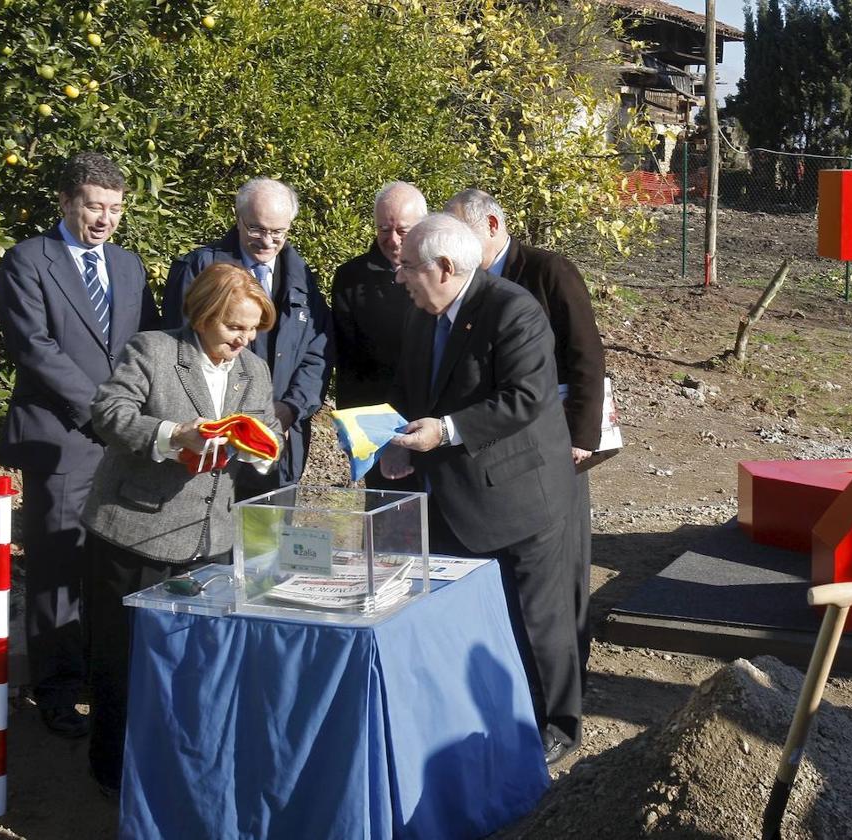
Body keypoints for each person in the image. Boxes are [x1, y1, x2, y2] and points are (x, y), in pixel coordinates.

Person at [381, 214, 581, 765]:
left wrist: (444, 431)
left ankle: (557, 727)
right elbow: (410, 388)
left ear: (445, 268)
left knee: (537, 620)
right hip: (449, 494)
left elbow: (525, 398)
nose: (399, 277)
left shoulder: (514, 310)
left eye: (407, 268)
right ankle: (478, 718)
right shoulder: (424, 311)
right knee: (463, 616)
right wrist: (393, 440)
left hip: (519, 496)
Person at [81, 263, 280, 794]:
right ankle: (114, 775)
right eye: (235, 327)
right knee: (123, 662)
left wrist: (260, 445)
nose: (245, 339)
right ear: (204, 314)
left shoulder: (253, 371)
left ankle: (183, 769)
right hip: (133, 533)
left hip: (209, 539)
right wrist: (174, 435)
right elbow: (109, 412)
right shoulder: (153, 350)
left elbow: (269, 427)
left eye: (254, 329)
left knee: (195, 665)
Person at [0, 151, 161, 738]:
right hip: (63, 440)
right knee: (57, 566)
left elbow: (145, 347)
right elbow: (35, 349)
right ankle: (58, 690)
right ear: (66, 202)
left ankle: (100, 675)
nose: (105, 219)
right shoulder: (26, 261)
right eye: (94, 205)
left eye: (115, 209)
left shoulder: (129, 265)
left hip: (121, 442)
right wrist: (105, 412)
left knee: (109, 563)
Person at [445, 188, 605, 687]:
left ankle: (571, 669)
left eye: (461, 232)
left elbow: (585, 354)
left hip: (555, 440)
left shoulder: (547, 271)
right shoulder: (461, 284)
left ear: (492, 226)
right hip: (496, 443)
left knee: (563, 560)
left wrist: (582, 434)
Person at [162, 177, 331, 498]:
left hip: (277, 440)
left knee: (267, 542)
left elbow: (317, 351)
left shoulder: (302, 279)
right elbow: (179, 353)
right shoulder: (200, 269)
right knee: (210, 543)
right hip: (215, 441)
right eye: (256, 229)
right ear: (237, 219)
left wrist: (291, 407)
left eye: (278, 232)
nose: (268, 241)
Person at [332, 181, 427, 411]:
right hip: (372, 409)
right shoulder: (350, 277)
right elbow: (345, 357)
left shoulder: (440, 274)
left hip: (429, 411)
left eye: (402, 231)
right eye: (384, 229)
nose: (393, 240)